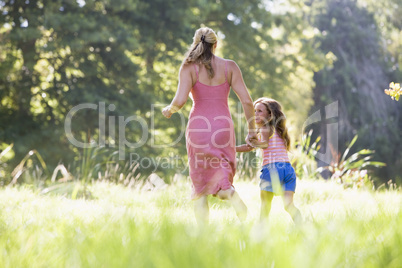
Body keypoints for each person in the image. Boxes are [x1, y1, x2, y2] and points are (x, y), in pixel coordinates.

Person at [162, 27, 257, 225]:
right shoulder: (230, 66)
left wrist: (169, 110)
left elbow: (179, 101)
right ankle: (229, 192)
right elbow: (247, 101)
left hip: (198, 128)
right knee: (221, 172)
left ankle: (202, 235)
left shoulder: (188, 67)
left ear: (195, 43)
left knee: (200, 184)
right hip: (223, 127)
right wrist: (252, 131)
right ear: (215, 45)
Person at [236, 97, 302, 224]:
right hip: (288, 170)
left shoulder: (265, 128)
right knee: (289, 206)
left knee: (265, 206)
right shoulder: (279, 130)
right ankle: (303, 227)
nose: (255, 114)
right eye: (254, 111)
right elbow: (250, 147)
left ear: (270, 114)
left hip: (272, 169)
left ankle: (261, 233)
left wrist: (253, 142)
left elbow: (264, 145)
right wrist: (232, 149)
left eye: (259, 111)